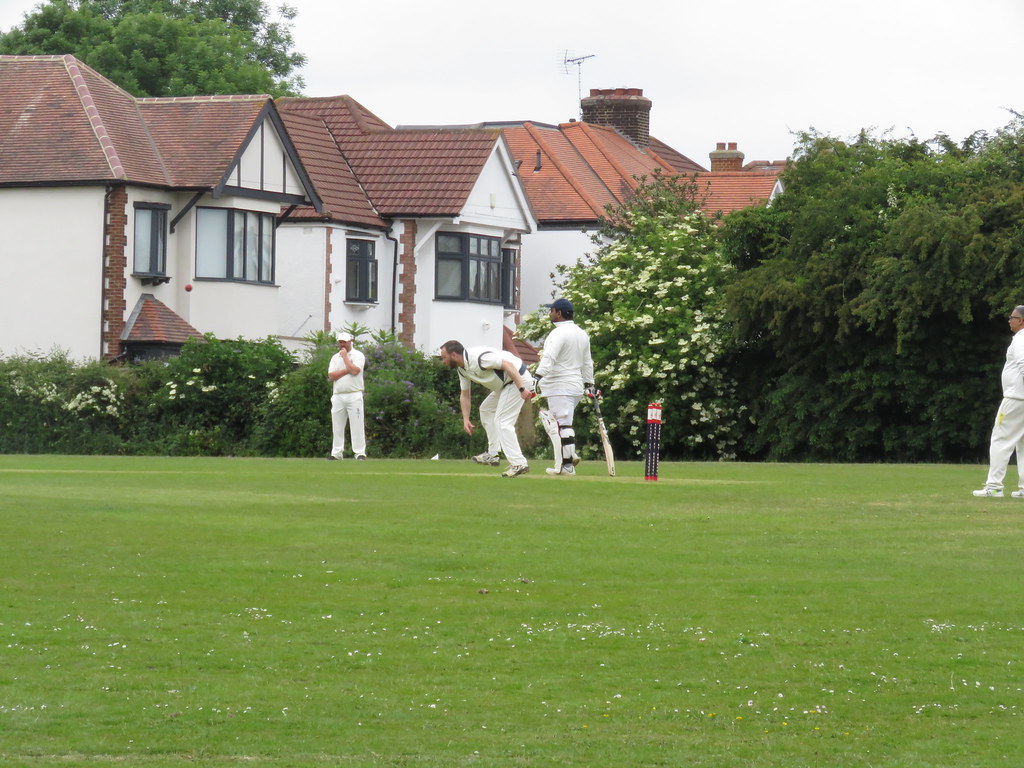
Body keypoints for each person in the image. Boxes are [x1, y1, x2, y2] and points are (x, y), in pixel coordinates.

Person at [439, 340, 535, 478]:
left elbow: (508, 365)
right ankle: (493, 454)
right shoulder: (462, 369)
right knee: (485, 409)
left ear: (454, 355)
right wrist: (465, 419)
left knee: (502, 421)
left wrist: (522, 388)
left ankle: (519, 463)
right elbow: (465, 394)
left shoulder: (479, 358)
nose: (443, 361)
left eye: (444, 358)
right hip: (505, 385)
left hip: (517, 379)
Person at [534, 297, 595, 476]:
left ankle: (567, 466)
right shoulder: (582, 333)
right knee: (559, 423)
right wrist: (589, 383)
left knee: (561, 424)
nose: (550, 313)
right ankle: (568, 458)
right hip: (575, 386)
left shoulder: (558, 333)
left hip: (560, 384)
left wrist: (536, 377)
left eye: (551, 310)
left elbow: (549, 358)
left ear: (559, 313)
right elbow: (587, 363)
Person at [974, 306, 1024, 497]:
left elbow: (1023, 363)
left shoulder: (1021, 339)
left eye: (1012, 317)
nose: (1009, 320)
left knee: (1000, 439)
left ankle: (994, 486)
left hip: (1015, 398)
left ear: (1021, 321)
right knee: (1022, 444)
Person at [327, 331, 367, 461]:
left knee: (357, 425)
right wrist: (346, 370)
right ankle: (337, 453)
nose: (342, 344)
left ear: (350, 342)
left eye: (344, 342)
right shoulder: (334, 357)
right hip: (338, 395)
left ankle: (360, 453)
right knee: (337, 426)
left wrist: (345, 358)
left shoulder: (358, 355)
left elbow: (355, 371)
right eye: (340, 342)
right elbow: (331, 376)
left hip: (354, 394)